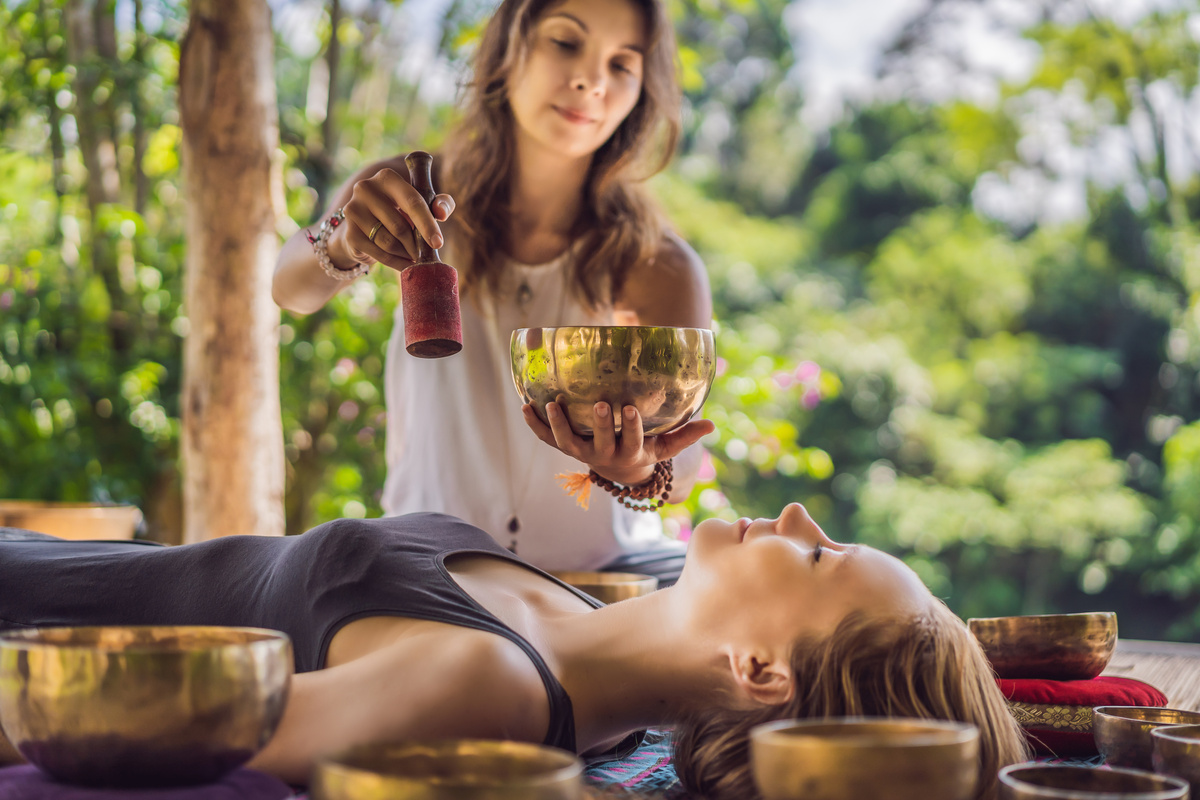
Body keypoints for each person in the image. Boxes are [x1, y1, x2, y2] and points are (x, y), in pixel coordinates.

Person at [0, 503, 1029, 799]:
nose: (798, 514)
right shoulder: (574, 608)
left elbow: (125, 728)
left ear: (762, 671)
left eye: (821, 554)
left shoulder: (486, 687)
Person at [271, 0, 714, 585]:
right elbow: (289, 288)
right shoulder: (407, 198)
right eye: (565, 42)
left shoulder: (659, 263)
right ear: (507, 49)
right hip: (430, 573)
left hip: (608, 583)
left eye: (622, 64)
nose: (591, 79)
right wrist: (346, 243)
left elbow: (681, 467)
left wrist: (636, 470)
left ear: (642, 93)